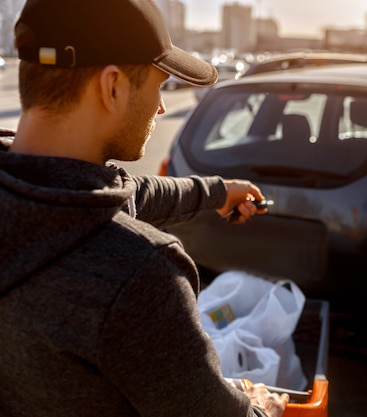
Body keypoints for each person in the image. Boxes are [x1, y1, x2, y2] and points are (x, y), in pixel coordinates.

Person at [0, 0, 289, 416]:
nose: (161, 107)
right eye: (157, 86)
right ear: (112, 85)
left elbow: (116, 193)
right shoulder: (137, 278)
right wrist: (263, 407)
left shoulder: (30, 198)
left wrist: (216, 191)